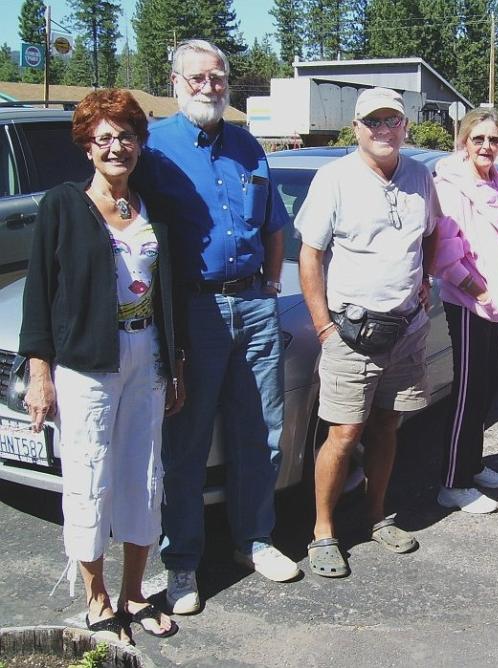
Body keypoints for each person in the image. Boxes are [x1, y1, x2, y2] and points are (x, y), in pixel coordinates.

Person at [135, 39, 297, 614]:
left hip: (254, 305)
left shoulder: (250, 146)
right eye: (198, 78)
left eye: (218, 77)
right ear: (175, 82)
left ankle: (255, 540)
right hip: (194, 312)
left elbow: (274, 224)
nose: (209, 87)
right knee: (187, 440)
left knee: (262, 430)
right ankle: (181, 565)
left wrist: (273, 285)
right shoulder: (153, 149)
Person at [19, 89, 184, 642]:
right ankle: (97, 600)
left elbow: (169, 291)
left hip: (148, 357)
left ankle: (136, 593)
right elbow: (38, 295)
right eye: (105, 138)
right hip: (88, 364)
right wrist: (39, 372)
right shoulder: (63, 205)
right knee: (89, 478)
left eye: (127, 136)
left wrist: (174, 361)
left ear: (139, 144)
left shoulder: (150, 207)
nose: (117, 147)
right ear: (87, 147)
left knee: (144, 475)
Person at [296, 87, 439, 578]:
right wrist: (324, 329)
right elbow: (309, 256)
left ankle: (377, 516)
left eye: (392, 121)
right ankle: (323, 532)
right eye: (373, 121)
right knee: (343, 433)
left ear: (404, 126)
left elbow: (434, 234)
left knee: (387, 425)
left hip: (406, 329)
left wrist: (427, 281)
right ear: (355, 127)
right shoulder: (333, 179)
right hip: (350, 333)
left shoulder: (421, 176)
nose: (383, 130)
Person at [432, 108, 498, 513]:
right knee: (468, 392)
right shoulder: (450, 185)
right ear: (464, 141)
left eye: (493, 140)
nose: (486, 147)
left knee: (488, 386)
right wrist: (480, 290)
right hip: (472, 303)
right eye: (479, 139)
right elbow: (443, 252)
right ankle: (452, 482)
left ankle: (472, 465)